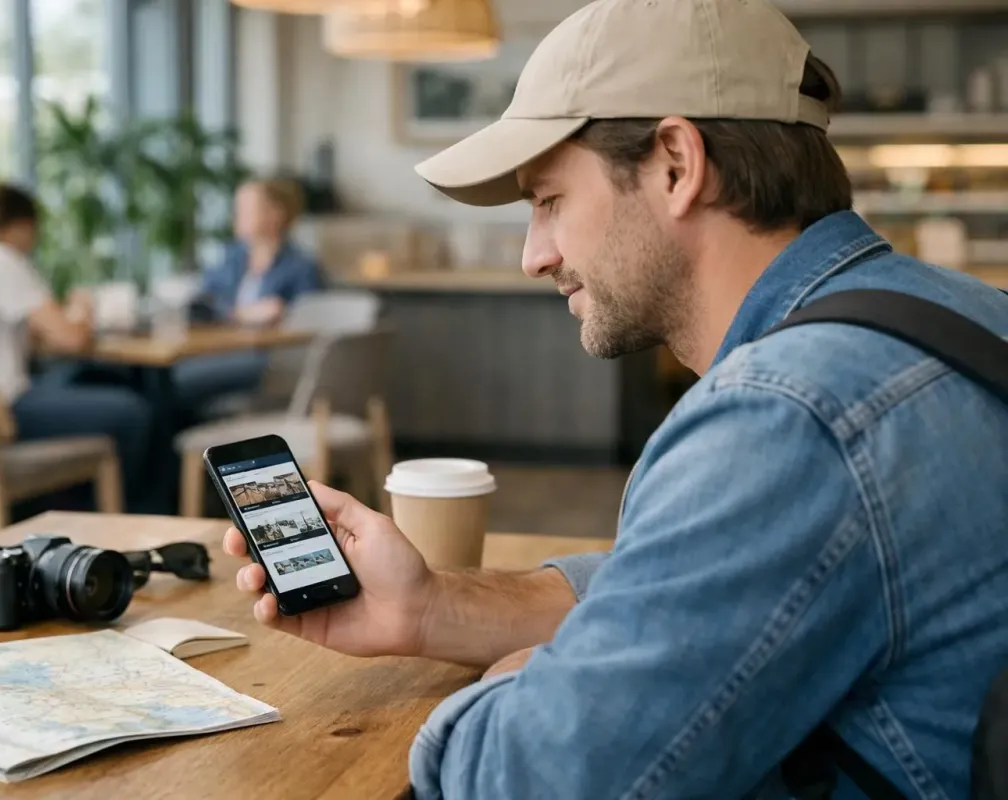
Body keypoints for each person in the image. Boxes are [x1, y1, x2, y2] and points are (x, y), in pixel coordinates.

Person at [221, 1, 1008, 797]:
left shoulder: (786, 419)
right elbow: (709, 583)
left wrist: (539, 677)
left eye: (549, 200)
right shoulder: (970, 312)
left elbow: (529, 778)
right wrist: (432, 607)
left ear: (675, 162)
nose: (535, 255)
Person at [0, 183, 154, 512]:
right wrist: (82, 308)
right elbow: (72, 339)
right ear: (22, 226)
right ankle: (128, 518)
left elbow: (20, 333)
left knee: (84, 379)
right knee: (133, 412)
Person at [172, 177, 323, 417]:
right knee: (162, 378)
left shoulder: (301, 267)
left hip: (268, 360)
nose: (236, 215)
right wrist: (242, 313)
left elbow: (308, 326)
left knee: (177, 382)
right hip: (219, 351)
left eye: (246, 209)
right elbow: (203, 303)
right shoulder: (232, 258)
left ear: (276, 214)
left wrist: (284, 313)